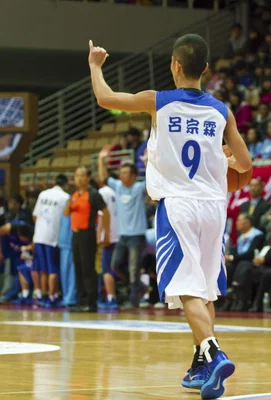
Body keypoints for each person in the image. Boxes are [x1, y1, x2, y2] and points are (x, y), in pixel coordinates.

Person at [89, 34, 252, 399]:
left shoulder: (157, 101)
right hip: (214, 206)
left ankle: (213, 351)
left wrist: (95, 66)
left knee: (184, 286)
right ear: (205, 70)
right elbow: (245, 166)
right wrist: (224, 159)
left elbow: (105, 99)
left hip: (178, 204)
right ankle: (200, 363)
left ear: (175, 65)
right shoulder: (222, 110)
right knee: (205, 287)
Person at [97, 156, 147, 309]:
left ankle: (134, 301)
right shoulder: (118, 186)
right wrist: (101, 160)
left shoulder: (139, 188)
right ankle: (139, 286)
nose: (121, 175)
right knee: (116, 265)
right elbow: (104, 178)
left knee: (134, 268)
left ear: (133, 176)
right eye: (121, 172)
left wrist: (147, 162)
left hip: (137, 235)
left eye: (125, 173)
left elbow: (153, 179)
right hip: (122, 235)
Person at [64, 167, 110, 312]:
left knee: (87, 268)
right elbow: (66, 213)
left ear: (88, 178)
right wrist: (68, 204)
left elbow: (105, 212)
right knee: (78, 267)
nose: (79, 179)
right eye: (77, 176)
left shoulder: (93, 194)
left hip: (87, 234)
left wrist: (105, 232)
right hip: (75, 234)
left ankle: (91, 302)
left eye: (82, 176)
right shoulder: (75, 195)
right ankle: (82, 300)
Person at [32, 174, 70, 307]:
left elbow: (35, 216)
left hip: (38, 236)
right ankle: (52, 296)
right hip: (53, 237)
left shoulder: (43, 194)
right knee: (53, 269)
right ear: (65, 185)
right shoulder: (65, 197)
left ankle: (43, 296)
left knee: (43, 269)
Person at [97, 179, 120, 309]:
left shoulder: (102, 192)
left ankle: (111, 297)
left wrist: (101, 234)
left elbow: (102, 215)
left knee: (106, 269)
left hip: (108, 236)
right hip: (119, 233)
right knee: (113, 267)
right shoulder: (117, 192)